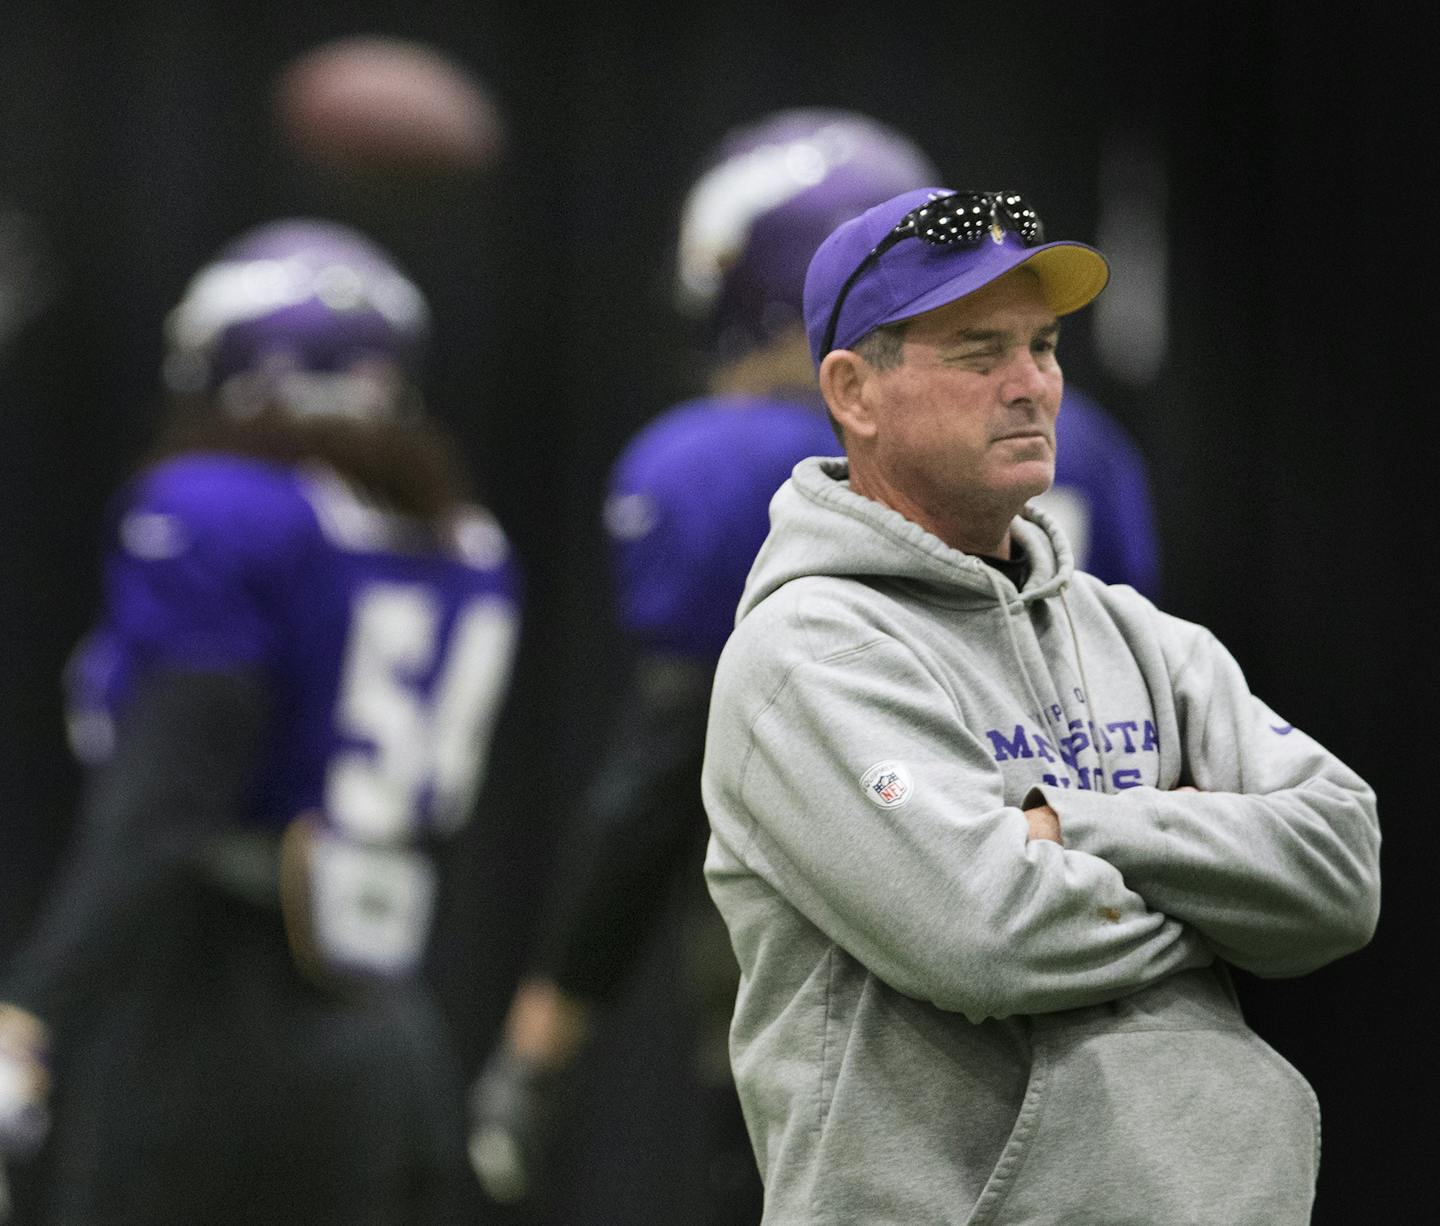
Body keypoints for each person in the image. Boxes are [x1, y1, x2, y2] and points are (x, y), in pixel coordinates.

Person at [701, 187, 1381, 1225]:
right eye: (980, 352)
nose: (1034, 387)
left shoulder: (1136, 633)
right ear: (854, 390)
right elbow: (988, 931)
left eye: (1047, 346)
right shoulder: (809, 652)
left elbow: (1341, 872)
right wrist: (1220, 885)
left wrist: (1077, 827)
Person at [467, 108, 941, 1221]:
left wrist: (545, 1034)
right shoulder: (1068, 445)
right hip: (1069, 989)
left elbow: (661, 777)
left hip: (846, 1018)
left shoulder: (721, 467)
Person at [0, 217, 521, 1225]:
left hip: (203, 1029)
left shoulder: (219, 508)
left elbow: (166, 805)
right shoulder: (465, 541)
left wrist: (32, 1005)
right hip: (386, 1029)